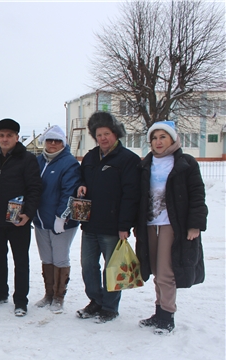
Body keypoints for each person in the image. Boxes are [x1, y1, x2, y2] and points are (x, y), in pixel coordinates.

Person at [135, 121, 207, 335]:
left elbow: (197, 194)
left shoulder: (185, 163)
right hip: (150, 224)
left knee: (167, 272)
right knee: (156, 271)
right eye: (154, 138)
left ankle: (167, 316)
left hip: (172, 225)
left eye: (163, 137)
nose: (158, 142)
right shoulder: (145, 164)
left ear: (173, 139)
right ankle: (159, 312)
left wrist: (195, 224)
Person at [75, 111, 140, 323]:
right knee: (88, 266)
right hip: (90, 224)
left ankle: (110, 307)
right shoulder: (91, 157)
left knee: (111, 269)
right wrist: (80, 186)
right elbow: (81, 179)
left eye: (107, 133)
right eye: (99, 134)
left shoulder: (128, 159)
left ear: (115, 134)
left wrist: (124, 225)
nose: (103, 138)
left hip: (112, 227)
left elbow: (131, 194)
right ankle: (95, 301)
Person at [0, 118, 42, 317]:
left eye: (9, 135)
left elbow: (34, 188)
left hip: (18, 220)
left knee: (20, 261)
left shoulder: (27, 159)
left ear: (17, 137)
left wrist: (28, 213)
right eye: (1, 135)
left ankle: (21, 301)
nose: (5, 139)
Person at [33, 125, 81, 314]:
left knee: (60, 258)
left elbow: (69, 191)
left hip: (61, 222)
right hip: (40, 220)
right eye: (50, 140)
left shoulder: (69, 163)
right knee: (46, 258)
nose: (53, 144)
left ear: (63, 143)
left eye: (57, 141)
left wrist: (61, 216)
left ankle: (59, 297)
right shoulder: (38, 161)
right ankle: (49, 294)